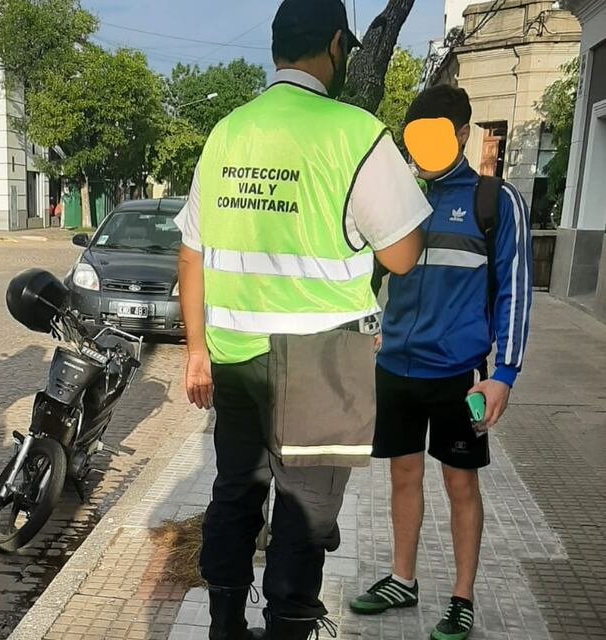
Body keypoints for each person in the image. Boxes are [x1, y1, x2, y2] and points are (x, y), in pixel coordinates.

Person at [174, 1, 431, 638]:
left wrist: (196, 351)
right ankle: (290, 625)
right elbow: (402, 255)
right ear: (338, 46)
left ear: (276, 48)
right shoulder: (355, 133)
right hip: (321, 364)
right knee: (303, 508)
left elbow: (190, 250)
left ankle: (225, 625)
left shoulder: (227, 132)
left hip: (235, 356)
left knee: (236, 491)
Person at [349, 85, 533, 640]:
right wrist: (367, 330)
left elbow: (515, 291)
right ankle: (402, 580)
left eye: (435, 137)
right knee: (403, 476)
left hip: (458, 374)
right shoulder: (398, 197)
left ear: (459, 134)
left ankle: (461, 597)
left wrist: (504, 374)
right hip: (396, 369)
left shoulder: (493, 202)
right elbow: (366, 277)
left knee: (461, 485)